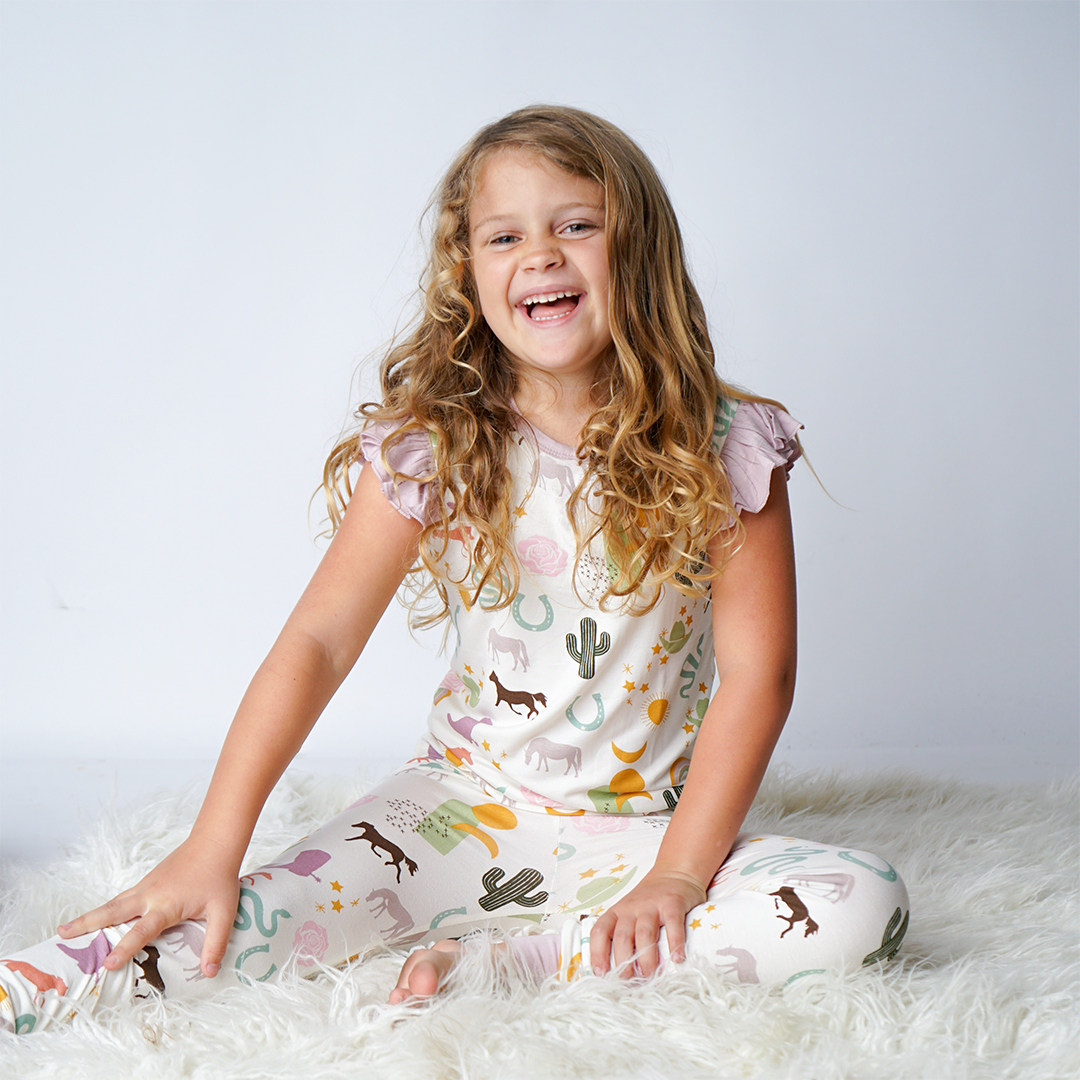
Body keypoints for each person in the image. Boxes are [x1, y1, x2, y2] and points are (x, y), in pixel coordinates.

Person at [0, 106, 908, 1033]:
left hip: (638, 838)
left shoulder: (722, 445)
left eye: (577, 225)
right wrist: (211, 843)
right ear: (469, 276)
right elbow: (320, 639)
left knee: (858, 903)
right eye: (504, 235)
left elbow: (761, 674)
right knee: (211, 925)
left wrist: (677, 874)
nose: (543, 254)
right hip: (449, 816)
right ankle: (20, 990)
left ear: (638, 251)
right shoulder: (439, 442)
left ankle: (519, 960)